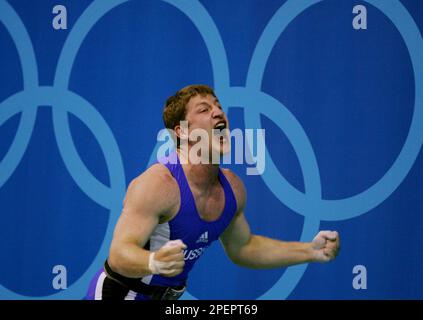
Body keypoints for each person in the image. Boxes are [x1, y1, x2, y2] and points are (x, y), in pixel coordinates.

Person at [85, 84, 340, 300]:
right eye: (204, 110)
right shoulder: (158, 184)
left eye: (218, 106)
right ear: (182, 131)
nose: (218, 112)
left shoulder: (233, 188)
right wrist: (152, 262)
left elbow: (244, 247)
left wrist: (310, 251)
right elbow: (119, 254)